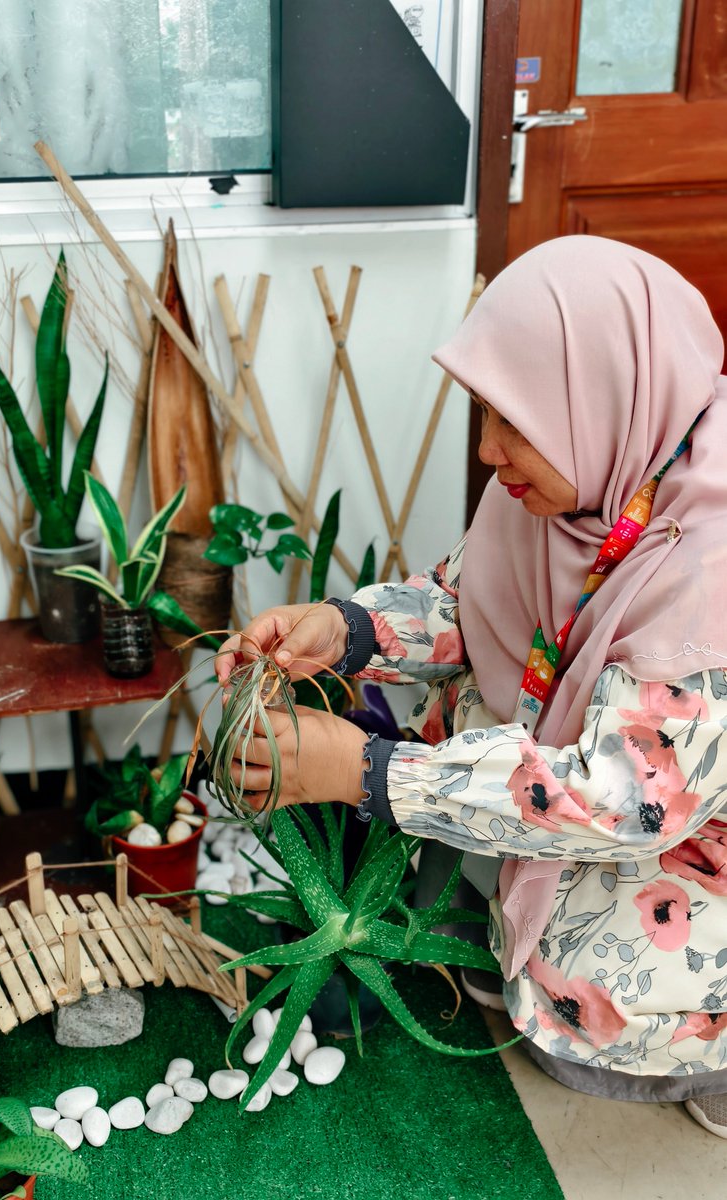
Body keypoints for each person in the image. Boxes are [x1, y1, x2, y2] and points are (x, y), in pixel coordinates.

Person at [216, 236, 727, 1137]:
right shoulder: (595, 474)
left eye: (514, 421)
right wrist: (346, 631)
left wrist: (370, 774)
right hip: (583, 785)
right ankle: (512, 933)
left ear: (603, 398)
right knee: (478, 716)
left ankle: (700, 1054)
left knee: (617, 946)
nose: (490, 450)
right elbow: (471, 597)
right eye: (483, 414)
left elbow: (623, 801)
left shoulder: (710, 570)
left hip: (673, 833)